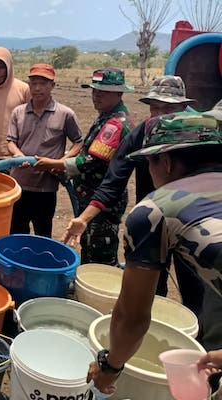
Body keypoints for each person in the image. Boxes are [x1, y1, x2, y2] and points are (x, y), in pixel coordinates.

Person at [86, 112, 222, 395]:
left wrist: (109, 367)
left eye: (149, 162)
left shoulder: (155, 210)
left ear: (167, 162)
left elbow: (131, 317)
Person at [61, 75, 204, 312]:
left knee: (194, 289)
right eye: (155, 107)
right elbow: (113, 182)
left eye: (168, 108)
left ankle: (200, 341)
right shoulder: (141, 135)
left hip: (194, 222)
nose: (161, 116)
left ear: (182, 107)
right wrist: (83, 219)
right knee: (149, 288)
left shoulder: (200, 137)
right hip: (153, 222)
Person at [35, 67, 133, 265]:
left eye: (103, 92)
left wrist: (55, 164)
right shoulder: (106, 116)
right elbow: (88, 151)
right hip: (91, 198)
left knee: (99, 256)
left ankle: (98, 292)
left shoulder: (116, 123)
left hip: (101, 203)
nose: (96, 96)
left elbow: (91, 161)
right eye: (94, 91)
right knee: (87, 244)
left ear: (119, 93)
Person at [6, 63, 83, 237]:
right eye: (33, 83)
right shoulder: (18, 112)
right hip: (19, 184)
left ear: (52, 86)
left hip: (46, 187)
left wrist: (60, 162)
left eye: (43, 83)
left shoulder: (65, 114)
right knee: (16, 233)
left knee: (42, 234)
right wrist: (18, 156)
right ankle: (18, 264)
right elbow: (10, 141)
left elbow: (78, 143)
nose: (37, 88)